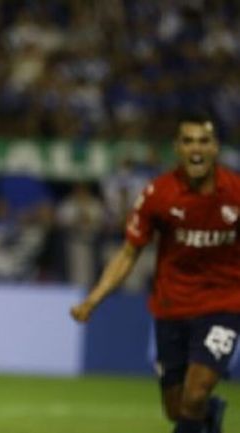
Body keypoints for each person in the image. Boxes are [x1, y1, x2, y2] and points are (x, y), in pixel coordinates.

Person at [71, 113, 240, 433]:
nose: (196, 148)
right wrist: (93, 299)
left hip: (224, 305)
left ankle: (202, 408)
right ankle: (210, 416)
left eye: (204, 141)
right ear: (176, 148)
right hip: (171, 308)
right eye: (188, 141)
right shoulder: (158, 194)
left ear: (216, 148)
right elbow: (129, 251)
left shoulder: (237, 192)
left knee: (195, 393)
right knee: (177, 409)